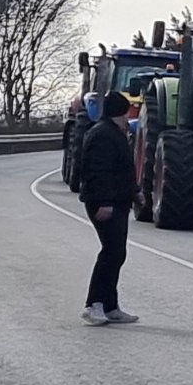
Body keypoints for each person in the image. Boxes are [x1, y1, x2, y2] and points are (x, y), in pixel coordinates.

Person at [75, 91, 140, 326]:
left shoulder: (114, 133)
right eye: (127, 111)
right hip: (104, 203)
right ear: (120, 112)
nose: (128, 116)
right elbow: (97, 171)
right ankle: (94, 305)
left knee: (117, 252)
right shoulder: (103, 135)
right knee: (111, 252)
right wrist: (104, 202)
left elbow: (123, 170)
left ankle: (111, 306)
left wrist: (135, 191)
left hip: (117, 201)